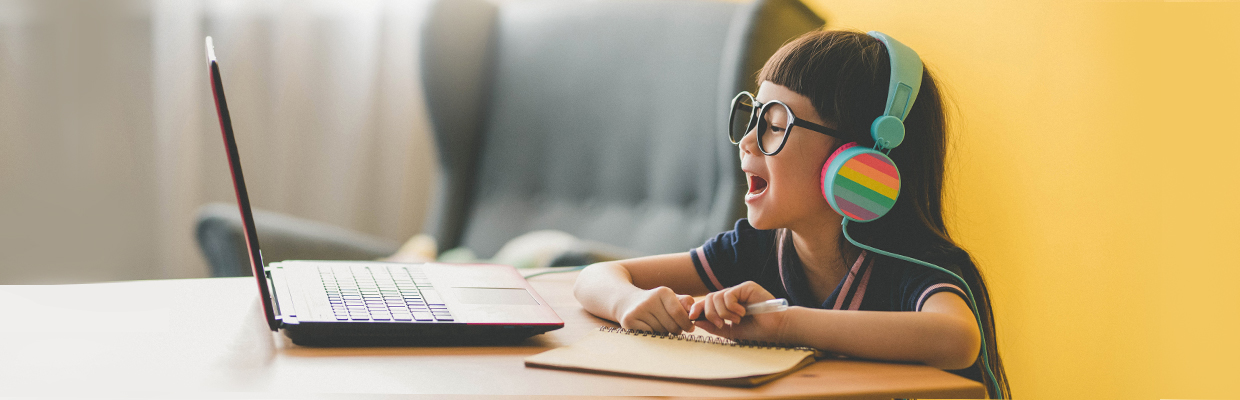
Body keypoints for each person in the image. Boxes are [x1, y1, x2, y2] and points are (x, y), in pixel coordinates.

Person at [572, 30, 1010, 398]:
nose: (746, 141)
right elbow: (597, 277)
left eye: (775, 125)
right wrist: (629, 302)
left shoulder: (913, 263)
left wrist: (782, 325)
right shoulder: (755, 248)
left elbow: (957, 338)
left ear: (859, 163)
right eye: (752, 117)